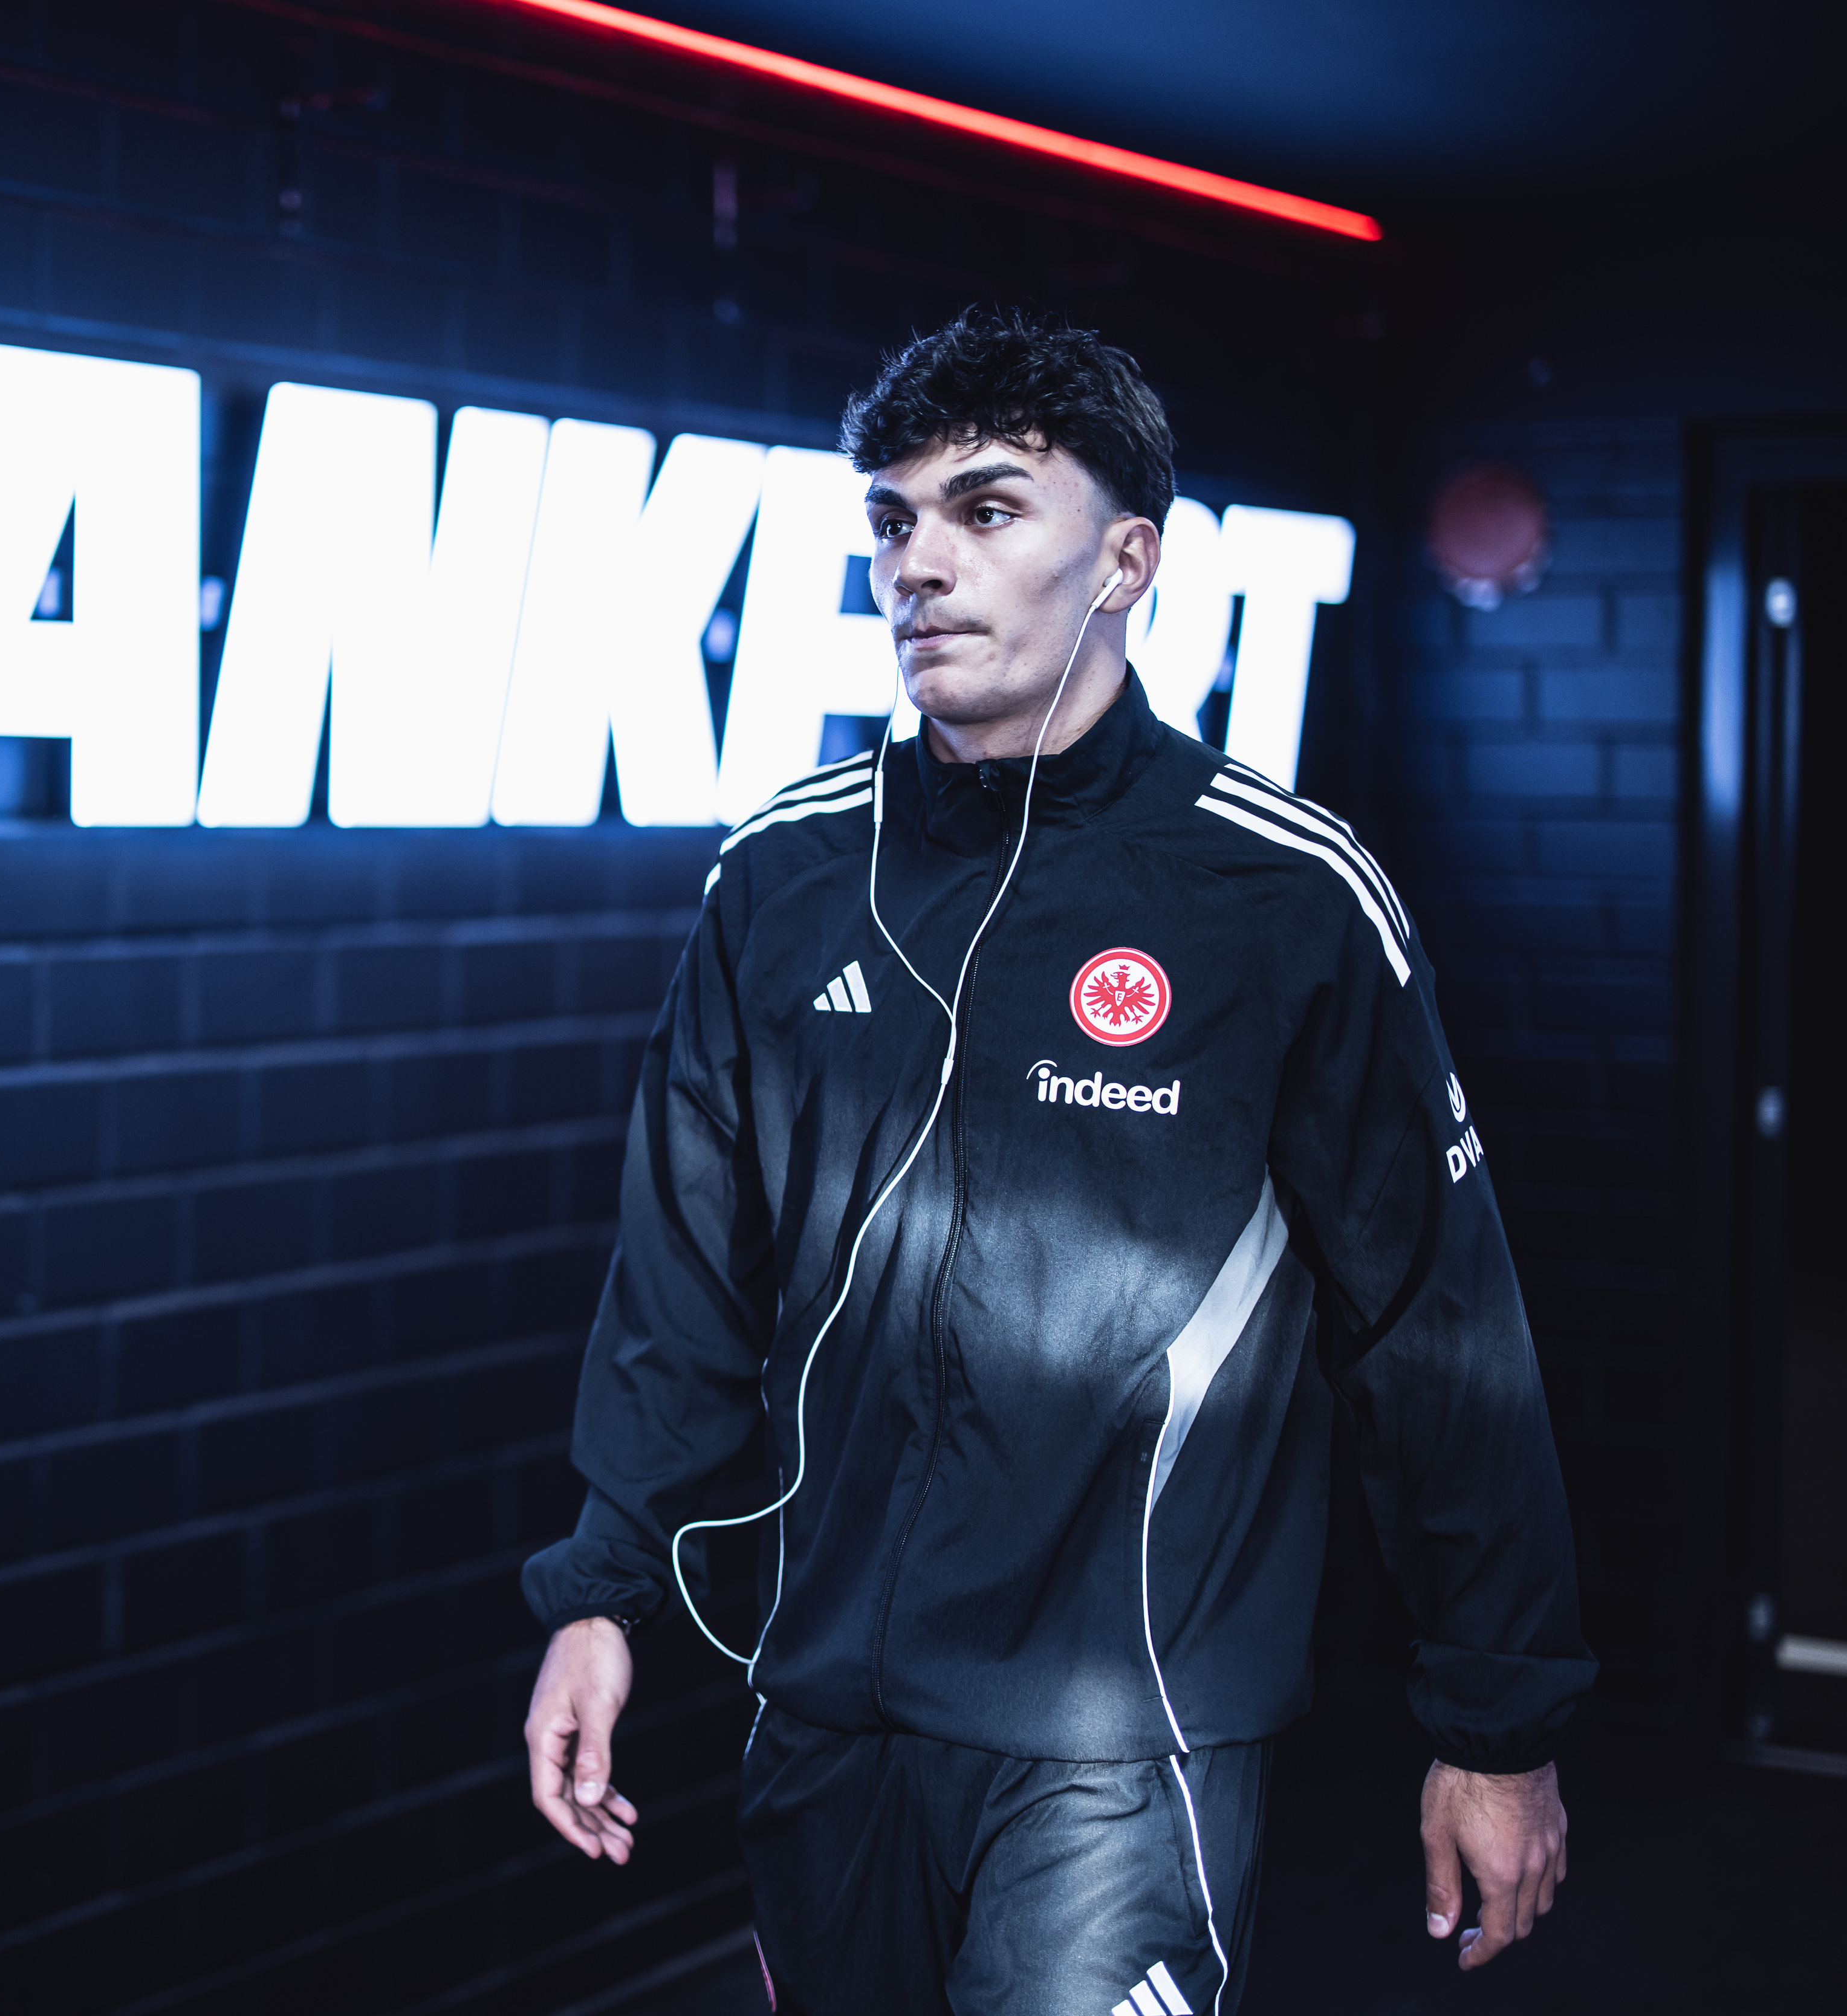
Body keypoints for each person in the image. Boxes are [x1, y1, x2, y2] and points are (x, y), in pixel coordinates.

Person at [518, 308, 1592, 2014]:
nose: (918, 565)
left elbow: (1440, 1332)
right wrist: (602, 1589)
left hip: (1123, 1742)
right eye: (892, 520)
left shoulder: (1284, 895)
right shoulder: (783, 877)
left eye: (988, 508)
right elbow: (683, 1275)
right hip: (825, 1715)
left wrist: (1500, 1724)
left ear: (1127, 558)